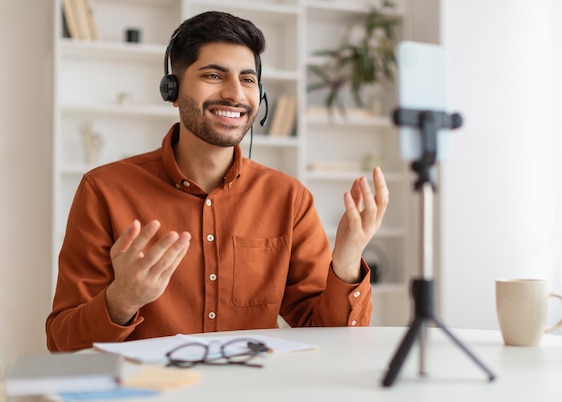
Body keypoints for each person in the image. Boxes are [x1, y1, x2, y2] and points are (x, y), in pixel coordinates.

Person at [46, 10, 389, 352]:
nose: (235, 94)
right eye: (214, 75)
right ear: (173, 90)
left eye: (248, 79)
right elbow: (62, 342)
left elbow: (329, 336)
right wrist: (120, 301)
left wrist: (345, 262)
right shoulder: (104, 191)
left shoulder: (289, 198)